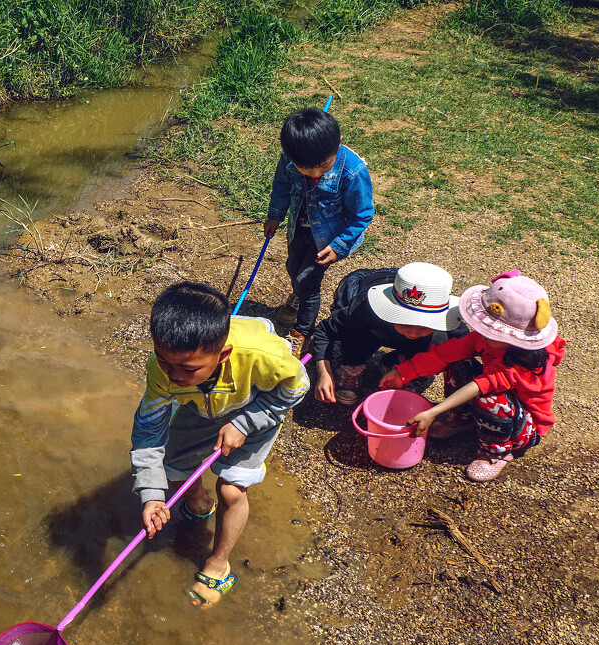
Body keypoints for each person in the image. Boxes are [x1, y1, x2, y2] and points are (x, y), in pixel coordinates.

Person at [130, 282, 308, 608]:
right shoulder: (162, 372)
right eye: (164, 362)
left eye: (187, 368)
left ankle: (219, 565)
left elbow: (296, 389)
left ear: (222, 354)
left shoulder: (265, 357)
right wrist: (152, 496)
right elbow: (148, 435)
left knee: (231, 489)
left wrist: (245, 423)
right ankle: (198, 502)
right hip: (200, 405)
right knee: (172, 468)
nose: (172, 375)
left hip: (257, 407)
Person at [379, 271, 566, 482]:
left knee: (492, 400)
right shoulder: (485, 340)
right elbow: (445, 353)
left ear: (513, 339)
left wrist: (434, 411)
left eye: (489, 331)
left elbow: (480, 386)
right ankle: (463, 419)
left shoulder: (525, 363)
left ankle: (497, 453)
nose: (481, 333)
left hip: (524, 428)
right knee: (457, 362)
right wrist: (404, 372)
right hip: (495, 400)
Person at [263, 107, 374, 359]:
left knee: (307, 282)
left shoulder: (353, 172)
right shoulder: (288, 160)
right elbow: (281, 185)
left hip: (329, 238)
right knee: (293, 266)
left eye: (323, 166)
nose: (314, 174)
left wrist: (339, 246)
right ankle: (298, 295)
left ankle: (303, 331)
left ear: (339, 144)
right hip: (299, 228)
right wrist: (275, 215)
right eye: (305, 168)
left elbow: (362, 214)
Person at [312, 263, 470, 417]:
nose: (413, 333)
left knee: (439, 345)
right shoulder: (365, 309)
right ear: (389, 311)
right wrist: (324, 373)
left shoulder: (449, 324)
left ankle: (395, 363)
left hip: (396, 322)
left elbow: (465, 348)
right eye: (405, 324)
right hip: (376, 308)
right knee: (356, 334)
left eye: (424, 326)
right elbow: (324, 331)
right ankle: (352, 364)